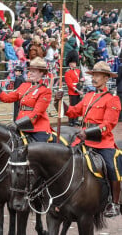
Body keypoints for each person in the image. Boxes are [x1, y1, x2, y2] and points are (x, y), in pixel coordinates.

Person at [55, 61, 121, 217]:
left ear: (106, 78)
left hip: (102, 142)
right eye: (94, 75)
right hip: (82, 139)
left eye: (98, 75)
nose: (95, 78)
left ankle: (115, 203)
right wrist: (59, 101)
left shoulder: (113, 99)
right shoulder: (89, 96)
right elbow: (72, 112)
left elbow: (108, 125)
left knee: (113, 168)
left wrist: (88, 133)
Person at [0, 57, 53, 141]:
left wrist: (17, 123)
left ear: (41, 73)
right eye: (30, 70)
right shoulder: (24, 86)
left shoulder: (45, 91)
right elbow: (6, 98)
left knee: (37, 150)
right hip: (20, 124)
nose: (31, 73)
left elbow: (36, 113)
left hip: (37, 127)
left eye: (34, 71)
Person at [64, 50, 83, 127]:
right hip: (73, 92)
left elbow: (81, 80)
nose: (74, 64)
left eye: (75, 62)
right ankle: (71, 120)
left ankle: (76, 120)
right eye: (72, 63)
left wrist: (81, 88)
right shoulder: (68, 72)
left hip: (79, 90)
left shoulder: (78, 71)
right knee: (72, 106)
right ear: (70, 64)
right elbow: (69, 84)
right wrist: (77, 91)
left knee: (78, 106)